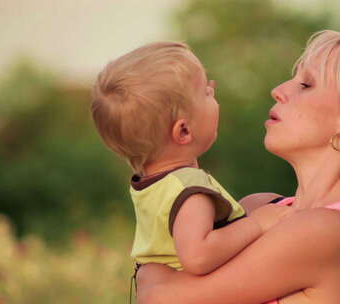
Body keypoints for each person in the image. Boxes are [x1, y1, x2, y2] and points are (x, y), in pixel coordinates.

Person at [135, 30, 340, 304]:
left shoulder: (329, 231)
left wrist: (148, 271)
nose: (278, 90)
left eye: (305, 84)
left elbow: (163, 297)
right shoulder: (260, 207)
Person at [91, 42, 291, 283]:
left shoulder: (152, 185)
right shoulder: (190, 190)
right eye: (206, 92)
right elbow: (198, 257)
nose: (213, 89)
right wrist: (257, 224)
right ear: (183, 130)